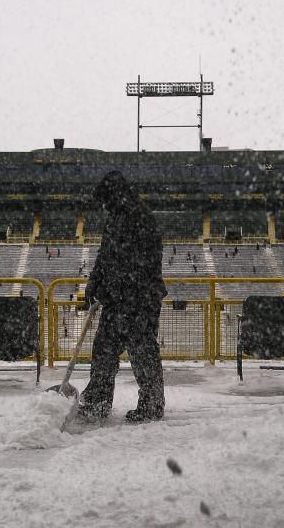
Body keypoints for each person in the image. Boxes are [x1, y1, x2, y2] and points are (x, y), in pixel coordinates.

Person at [79, 170, 167, 423]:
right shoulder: (115, 218)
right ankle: (98, 401)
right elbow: (105, 255)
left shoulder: (141, 219)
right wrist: (94, 284)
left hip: (140, 300)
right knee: (104, 349)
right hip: (117, 300)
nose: (105, 206)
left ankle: (151, 405)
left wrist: (118, 286)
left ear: (116, 195)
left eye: (107, 200)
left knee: (142, 352)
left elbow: (143, 263)